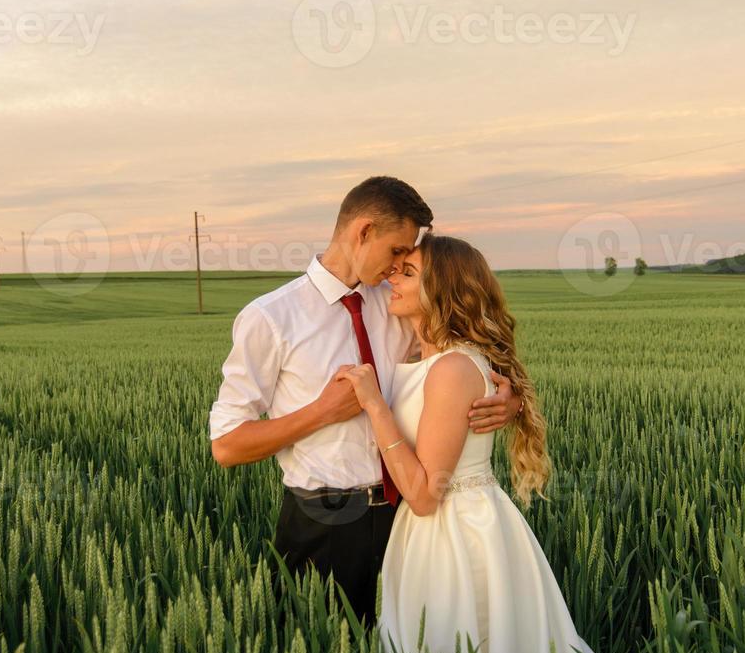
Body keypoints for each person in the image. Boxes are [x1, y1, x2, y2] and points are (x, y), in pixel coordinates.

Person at [337, 233, 630, 653]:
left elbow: (425, 494)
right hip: (444, 530)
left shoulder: (451, 368)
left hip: (456, 534)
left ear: (441, 287)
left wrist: (373, 403)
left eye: (406, 273)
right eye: (393, 270)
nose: (390, 280)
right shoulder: (424, 354)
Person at [209, 176, 522, 625]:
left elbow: (463, 354)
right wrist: (322, 411)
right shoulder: (271, 318)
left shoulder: (396, 304)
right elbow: (227, 446)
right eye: (397, 251)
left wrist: (507, 400)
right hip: (325, 523)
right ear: (364, 231)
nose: (399, 268)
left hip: (411, 522)